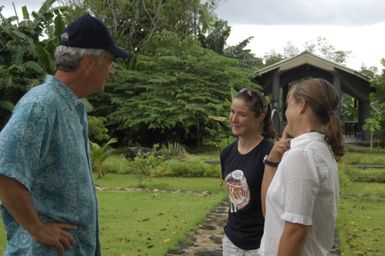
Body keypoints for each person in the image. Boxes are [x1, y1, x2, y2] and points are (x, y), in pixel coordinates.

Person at [0, 13, 130, 255]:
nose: (111, 71)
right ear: (89, 62)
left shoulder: (73, 107)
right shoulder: (41, 105)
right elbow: (5, 171)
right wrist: (37, 228)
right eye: (110, 60)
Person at [259, 78, 345, 255]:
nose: (285, 114)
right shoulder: (315, 149)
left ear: (302, 106)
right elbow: (271, 213)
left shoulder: (302, 155)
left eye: (289, 105)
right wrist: (271, 162)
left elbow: (296, 231)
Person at [220, 88, 275, 256]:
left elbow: (277, 202)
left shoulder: (271, 153)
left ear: (259, 118)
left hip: (260, 244)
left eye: (242, 114)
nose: (234, 119)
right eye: (232, 112)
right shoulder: (226, 153)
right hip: (231, 241)